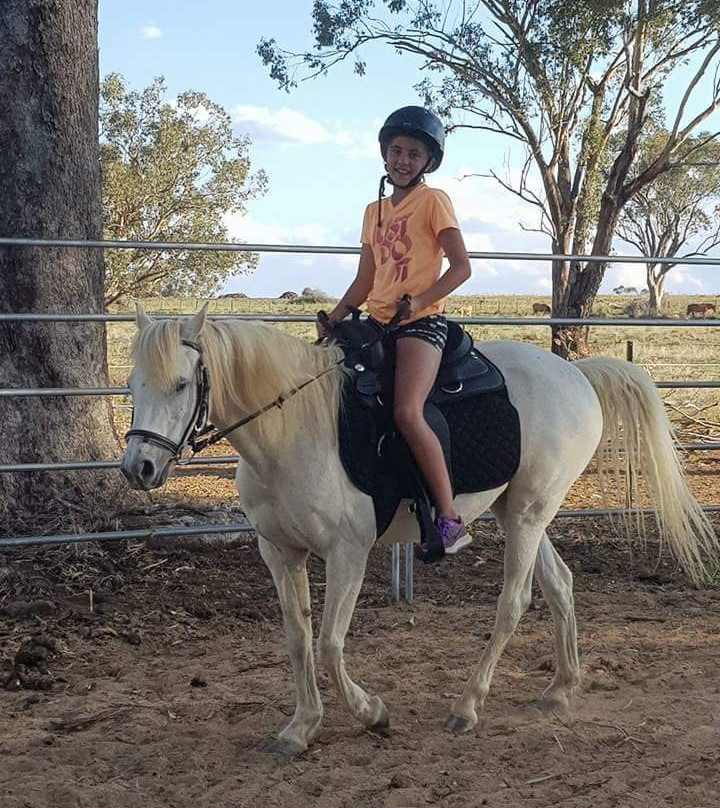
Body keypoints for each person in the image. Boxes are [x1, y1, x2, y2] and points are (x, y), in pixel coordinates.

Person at [319, 105, 473, 553]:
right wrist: (336, 316)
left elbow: (461, 267)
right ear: (385, 156)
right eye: (396, 151)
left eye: (413, 153)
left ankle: (449, 518)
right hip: (378, 323)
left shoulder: (434, 201)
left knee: (407, 410)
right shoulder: (373, 211)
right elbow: (367, 279)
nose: (402, 159)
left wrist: (421, 302)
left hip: (422, 324)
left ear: (428, 161)